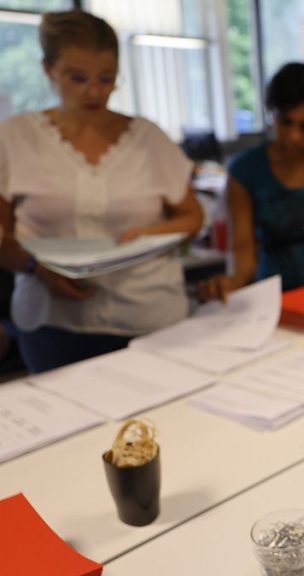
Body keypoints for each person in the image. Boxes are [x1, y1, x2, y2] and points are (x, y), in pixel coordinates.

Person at [0, 10, 203, 373]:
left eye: (106, 79)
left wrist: (149, 233)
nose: (94, 92)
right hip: (54, 322)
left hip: (147, 316)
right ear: (49, 70)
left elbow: (192, 215)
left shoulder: (148, 138)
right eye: (77, 78)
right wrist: (37, 269)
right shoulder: (15, 138)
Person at [197, 63, 304, 300]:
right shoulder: (246, 170)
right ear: (270, 113)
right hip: (276, 296)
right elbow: (243, 250)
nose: (293, 136)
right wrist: (231, 282)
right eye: (285, 122)